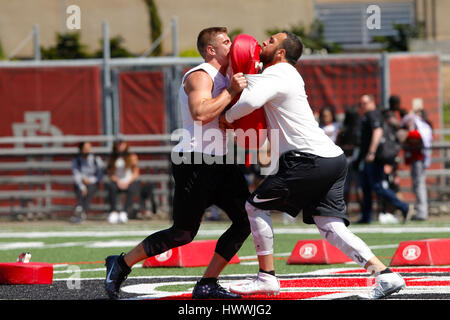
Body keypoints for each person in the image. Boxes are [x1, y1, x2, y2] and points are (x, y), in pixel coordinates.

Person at [220, 31, 405, 299]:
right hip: (331, 158)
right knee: (330, 227)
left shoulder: (279, 72)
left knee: (254, 205)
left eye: (271, 41)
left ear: (282, 53)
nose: (263, 43)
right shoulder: (282, 73)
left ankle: (266, 277)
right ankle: (385, 275)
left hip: (308, 159)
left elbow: (248, 101)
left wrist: (226, 116)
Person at [104, 27, 250, 300]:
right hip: (194, 160)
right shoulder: (200, 75)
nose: (232, 45)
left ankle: (207, 283)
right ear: (210, 50)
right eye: (225, 41)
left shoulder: (227, 77)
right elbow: (199, 112)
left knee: (247, 220)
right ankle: (121, 263)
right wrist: (231, 92)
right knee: (182, 234)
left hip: (221, 161)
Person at [355, 94, 410, 224]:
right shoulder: (371, 115)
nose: (362, 106)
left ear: (372, 102)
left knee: (377, 186)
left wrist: (371, 152)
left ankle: (403, 206)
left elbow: (378, 131)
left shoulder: (372, 114)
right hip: (368, 157)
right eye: (361, 103)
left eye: (364, 103)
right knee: (366, 187)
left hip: (374, 158)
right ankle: (366, 216)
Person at [401, 104, 433, 221]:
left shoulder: (422, 129)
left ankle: (422, 212)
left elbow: (412, 136)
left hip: (419, 160)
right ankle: (420, 211)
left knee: (419, 185)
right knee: (416, 186)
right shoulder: (416, 129)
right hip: (415, 160)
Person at [105, 140, 140, 224]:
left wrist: (128, 182)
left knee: (133, 188)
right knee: (111, 187)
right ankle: (113, 212)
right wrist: (118, 181)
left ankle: (124, 212)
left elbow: (136, 172)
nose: (120, 146)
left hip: (128, 181)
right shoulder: (112, 157)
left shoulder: (132, 156)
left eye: (122, 144)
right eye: (118, 144)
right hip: (117, 181)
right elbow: (110, 173)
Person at [335, 107, 362, 213]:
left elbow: (338, 143)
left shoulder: (344, 129)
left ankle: (345, 211)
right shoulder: (359, 128)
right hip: (356, 158)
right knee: (358, 186)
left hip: (345, 158)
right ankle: (363, 211)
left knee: (345, 187)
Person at [71, 141, 104, 223]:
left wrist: (91, 180)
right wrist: (82, 186)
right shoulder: (76, 160)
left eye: (89, 148)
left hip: (93, 183)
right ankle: (81, 212)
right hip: (81, 183)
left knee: (89, 191)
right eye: (85, 149)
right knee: (80, 190)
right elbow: (76, 174)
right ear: (81, 150)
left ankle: (79, 209)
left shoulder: (96, 159)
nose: (88, 150)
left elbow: (100, 174)